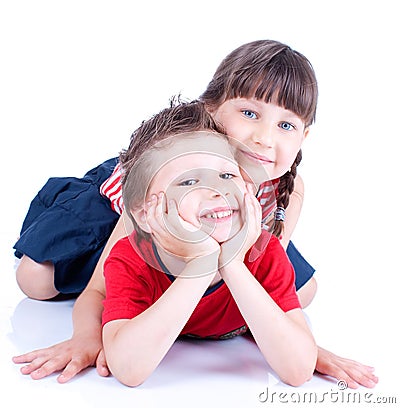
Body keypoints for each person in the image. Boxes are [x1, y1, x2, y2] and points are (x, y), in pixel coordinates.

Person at [12, 40, 378, 389]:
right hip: (124, 214)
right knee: (36, 279)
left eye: (285, 125)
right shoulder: (161, 187)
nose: (265, 138)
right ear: (211, 108)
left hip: (225, 228)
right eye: (250, 113)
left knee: (305, 289)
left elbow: (263, 279)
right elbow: (97, 290)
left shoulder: (287, 190)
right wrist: (87, 338)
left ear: (304, 137)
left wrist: (305, 349)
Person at [102, 99, 317, 387]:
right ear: (145, 214)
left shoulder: (267, 255)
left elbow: (299, 371)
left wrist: (232, 263)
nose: (218, 191)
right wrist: (201, 264)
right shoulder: (131, 257)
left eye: (227, 175)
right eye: (189, 182)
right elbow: (128, 370)